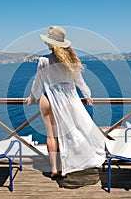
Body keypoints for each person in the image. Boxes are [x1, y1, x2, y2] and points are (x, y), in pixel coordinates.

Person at [26, 26, 106, 178]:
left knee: (51, 136)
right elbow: (80, 82)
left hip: (48, 99)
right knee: (67, 135)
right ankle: (66, 167)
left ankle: (55, 169)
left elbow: (38, 82)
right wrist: (88, 96)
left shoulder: (43, 60)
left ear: (51, 43)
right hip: (66, 102)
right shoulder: (72, 62)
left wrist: (32, 96)